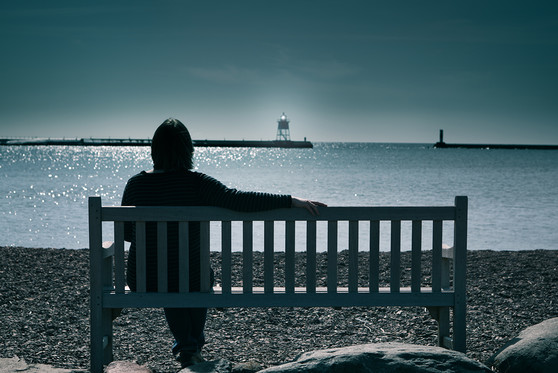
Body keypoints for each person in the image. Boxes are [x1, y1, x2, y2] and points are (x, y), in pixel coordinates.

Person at [121, 118, 325, 368]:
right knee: (193, 276)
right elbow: (239, 200)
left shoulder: (135, 184)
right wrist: (291, 200)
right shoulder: (198, 183)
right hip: (191, 278)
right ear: (188, 149)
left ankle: (187, 346)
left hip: (144, 279)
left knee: (170, 277)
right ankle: (191, 345)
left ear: (154, 149)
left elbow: (126, 235)